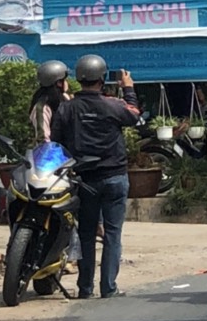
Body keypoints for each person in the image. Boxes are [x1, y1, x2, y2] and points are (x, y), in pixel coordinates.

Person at [50, 54, 141, 300]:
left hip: (84, 180)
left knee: (87, 234)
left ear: (79, 79)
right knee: (112, 234)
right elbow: (133, 115)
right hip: (114, 178)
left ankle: (85, 288)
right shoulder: (113, 105)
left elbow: (56, 143)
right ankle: (109, 287)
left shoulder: (67, 108)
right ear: (102, 78)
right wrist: (128, 89)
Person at [29, 60, 71, 142]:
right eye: (64, 80)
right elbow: (43, 138)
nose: (66, 82)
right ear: (58, 83)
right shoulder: (42, 107)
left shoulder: (65, 98)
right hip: (54, 152)